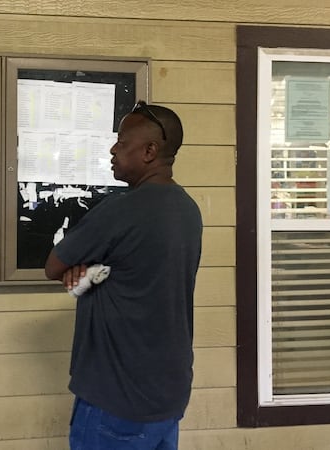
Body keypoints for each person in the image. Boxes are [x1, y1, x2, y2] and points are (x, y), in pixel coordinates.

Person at [44, 100, 203, 450]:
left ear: (149, 151)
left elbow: (54, 267)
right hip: (168, 393)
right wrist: (99, 271)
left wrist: (89, 270)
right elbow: (139, 271)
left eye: (122, 141)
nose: (113, 149)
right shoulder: (188, 210)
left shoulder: (120, 209)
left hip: (116, 395)